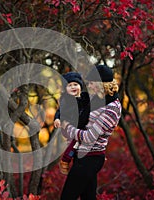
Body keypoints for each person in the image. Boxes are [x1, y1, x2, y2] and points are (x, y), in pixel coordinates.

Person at [60, 65, 122, 200]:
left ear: (103, 84)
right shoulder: (97, 99)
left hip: (90, 158)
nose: (90, 86)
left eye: (93, 83)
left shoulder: (111, 108)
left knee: (67, 197)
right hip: (82, 155)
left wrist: (67, 128)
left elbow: (89, 136)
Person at [54, 72, 90, 175]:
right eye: (69, 85)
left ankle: (94, 154)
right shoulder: (66, 99)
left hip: (82, 125)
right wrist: (57, 119)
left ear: (80, 86)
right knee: (74, 143)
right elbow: (59, 111)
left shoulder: (85, 97)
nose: (73, 87)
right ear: (65, 89)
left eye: (75, 84)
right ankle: (66, 158)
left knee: (81, 143)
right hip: (69, 125)